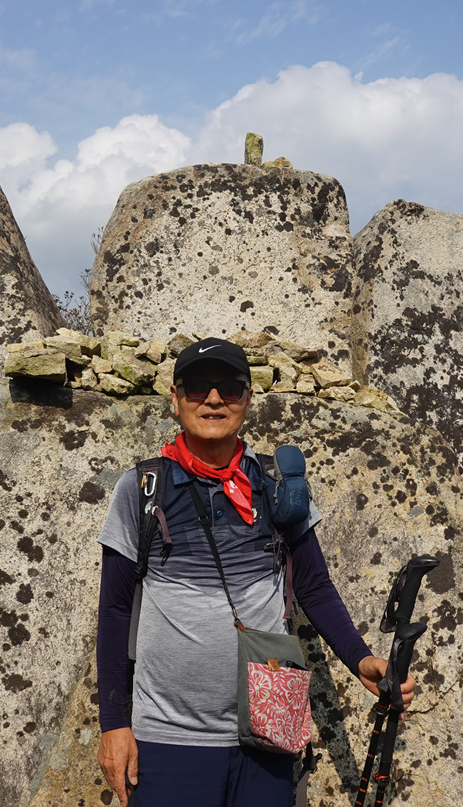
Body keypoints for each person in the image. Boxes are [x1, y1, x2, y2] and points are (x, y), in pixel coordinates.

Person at [95, 337, 416, 807]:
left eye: (229, 387)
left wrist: (361, 660)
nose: (213, 399)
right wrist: (113, 724)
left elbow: (313, 586)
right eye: (197, 387)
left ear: (248, 399)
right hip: (167, 737)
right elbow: (115, 610)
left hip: (268, 732)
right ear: (175, 398)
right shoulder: (141, 489)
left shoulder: (277, 486)